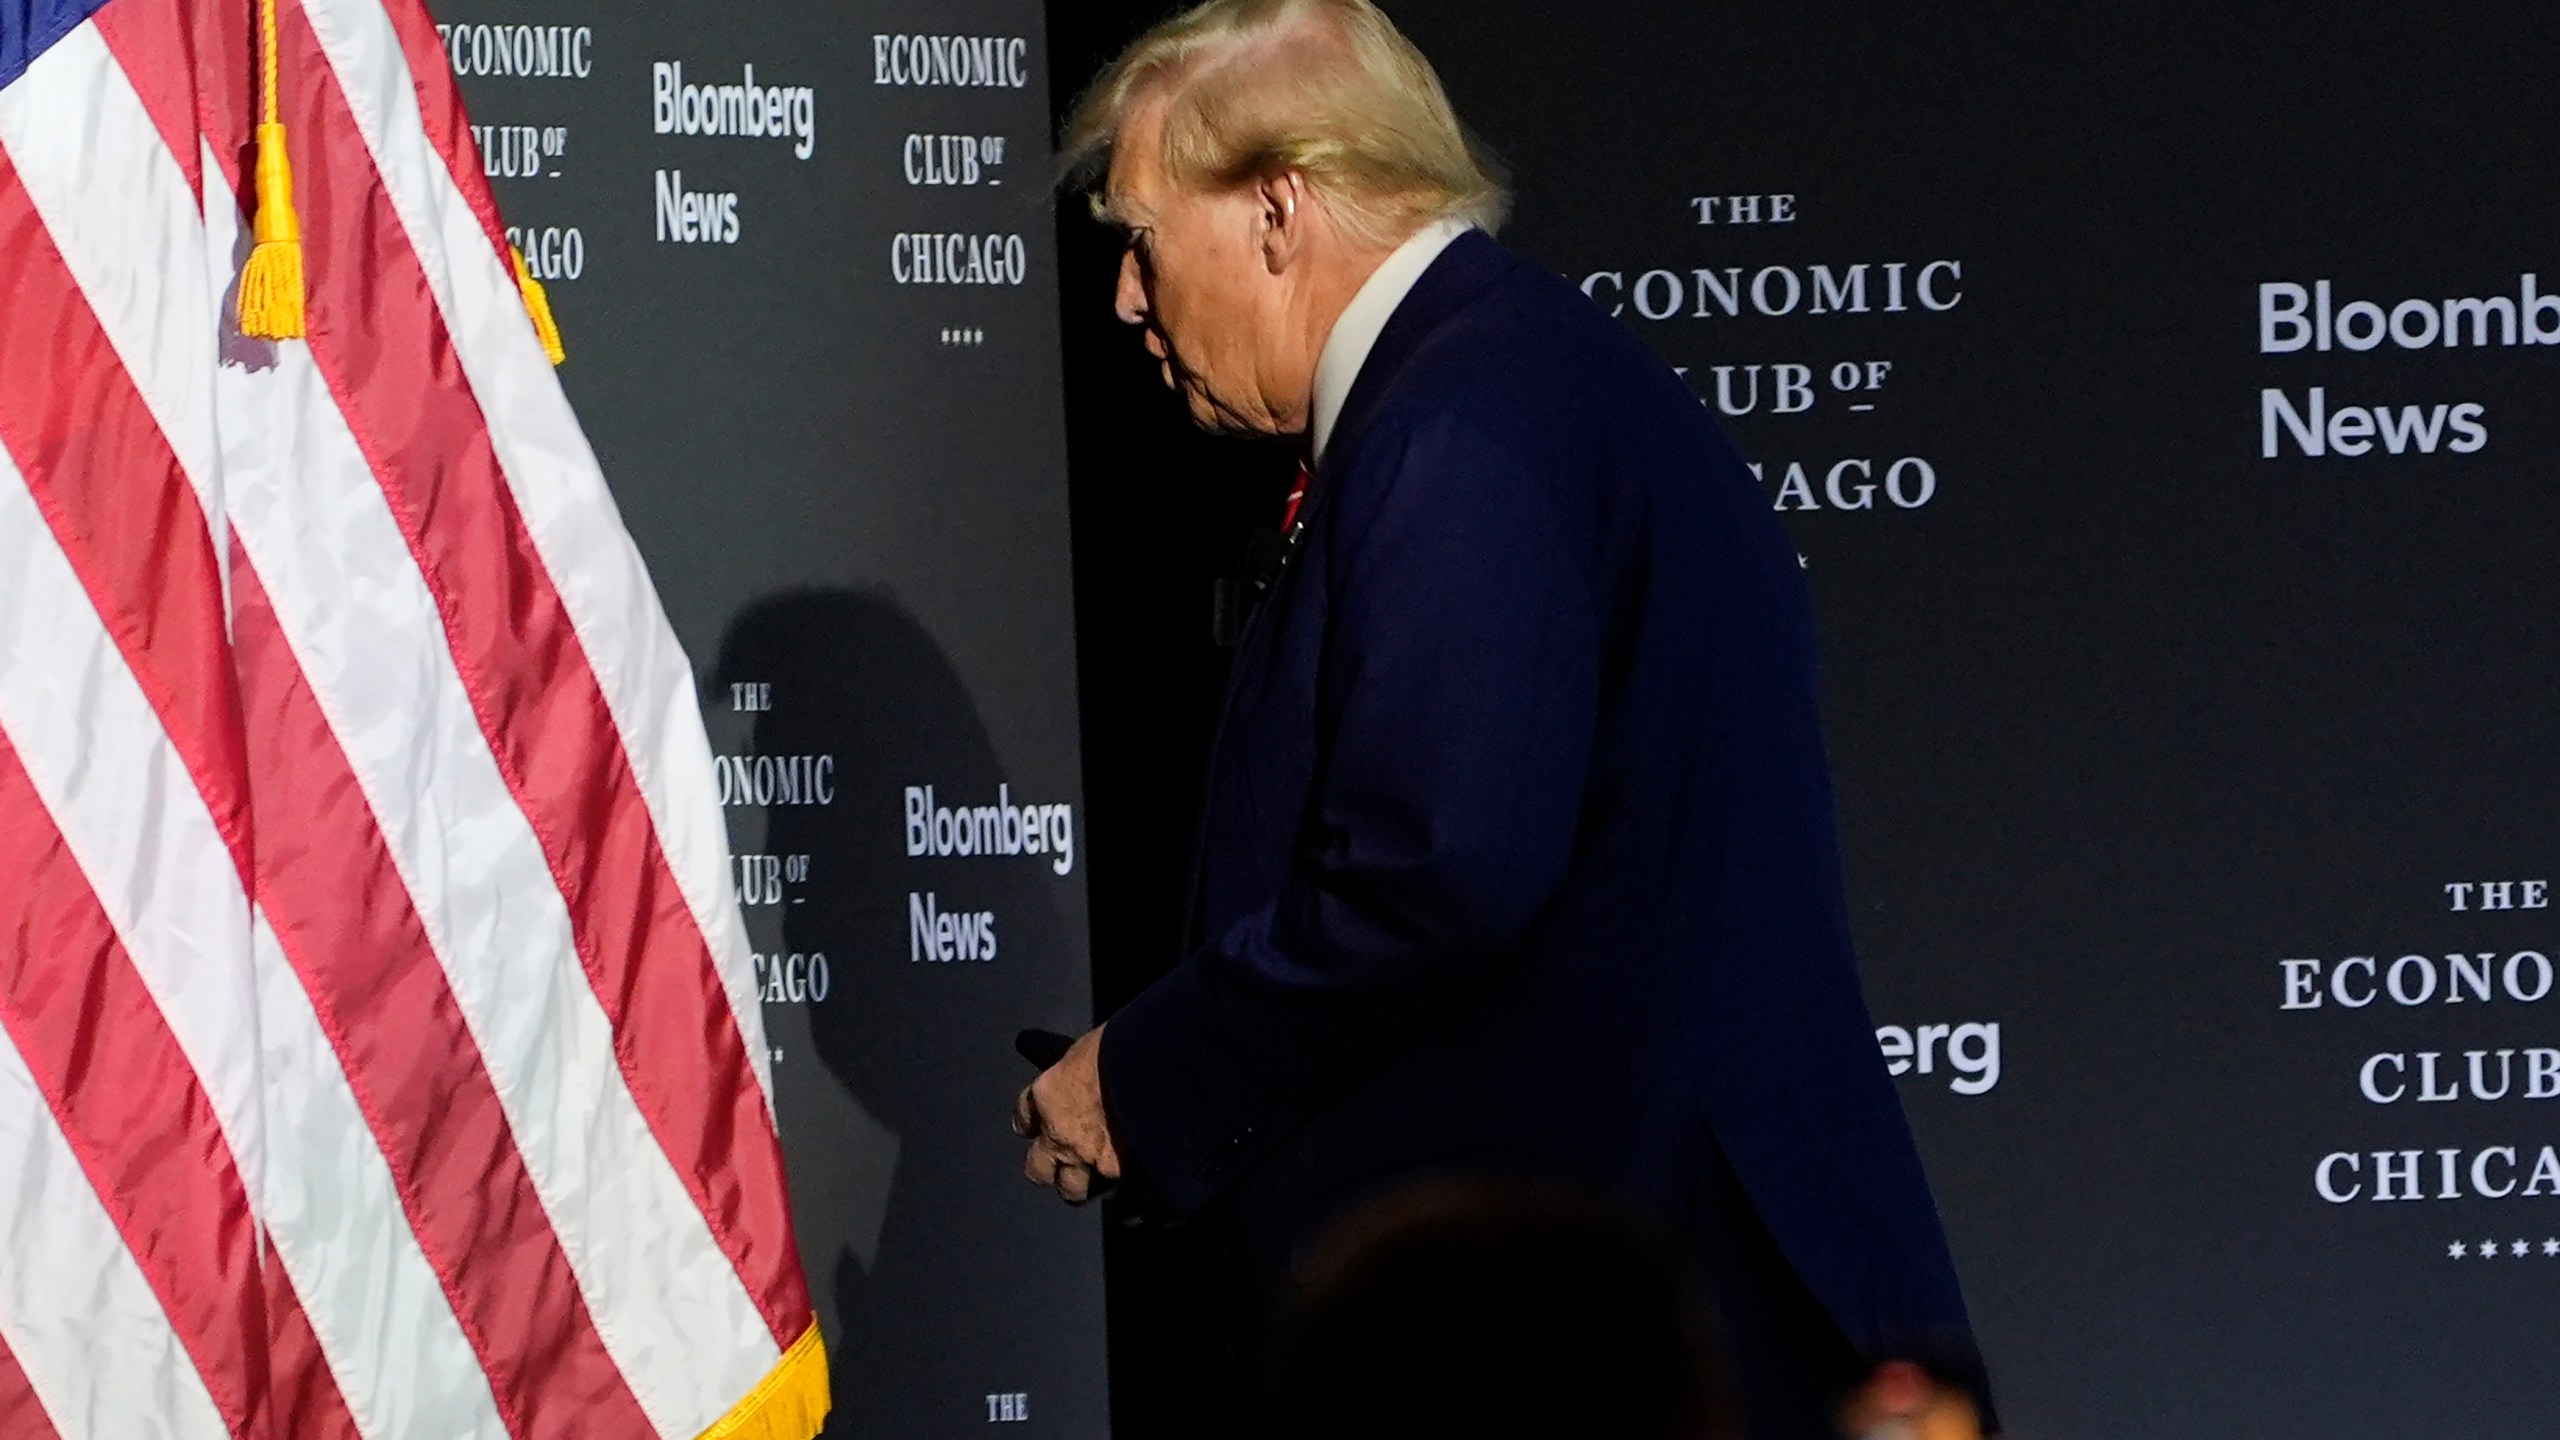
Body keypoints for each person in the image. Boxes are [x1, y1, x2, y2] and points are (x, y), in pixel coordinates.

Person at [1014, 2, 1993, 1433]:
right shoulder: (1513, 382)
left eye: (1142, 236)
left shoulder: (1460, 426)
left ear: (1278, 210)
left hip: (1626, 1332)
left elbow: (1438, 868)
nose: (1123, 298)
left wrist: (1146, 1076)